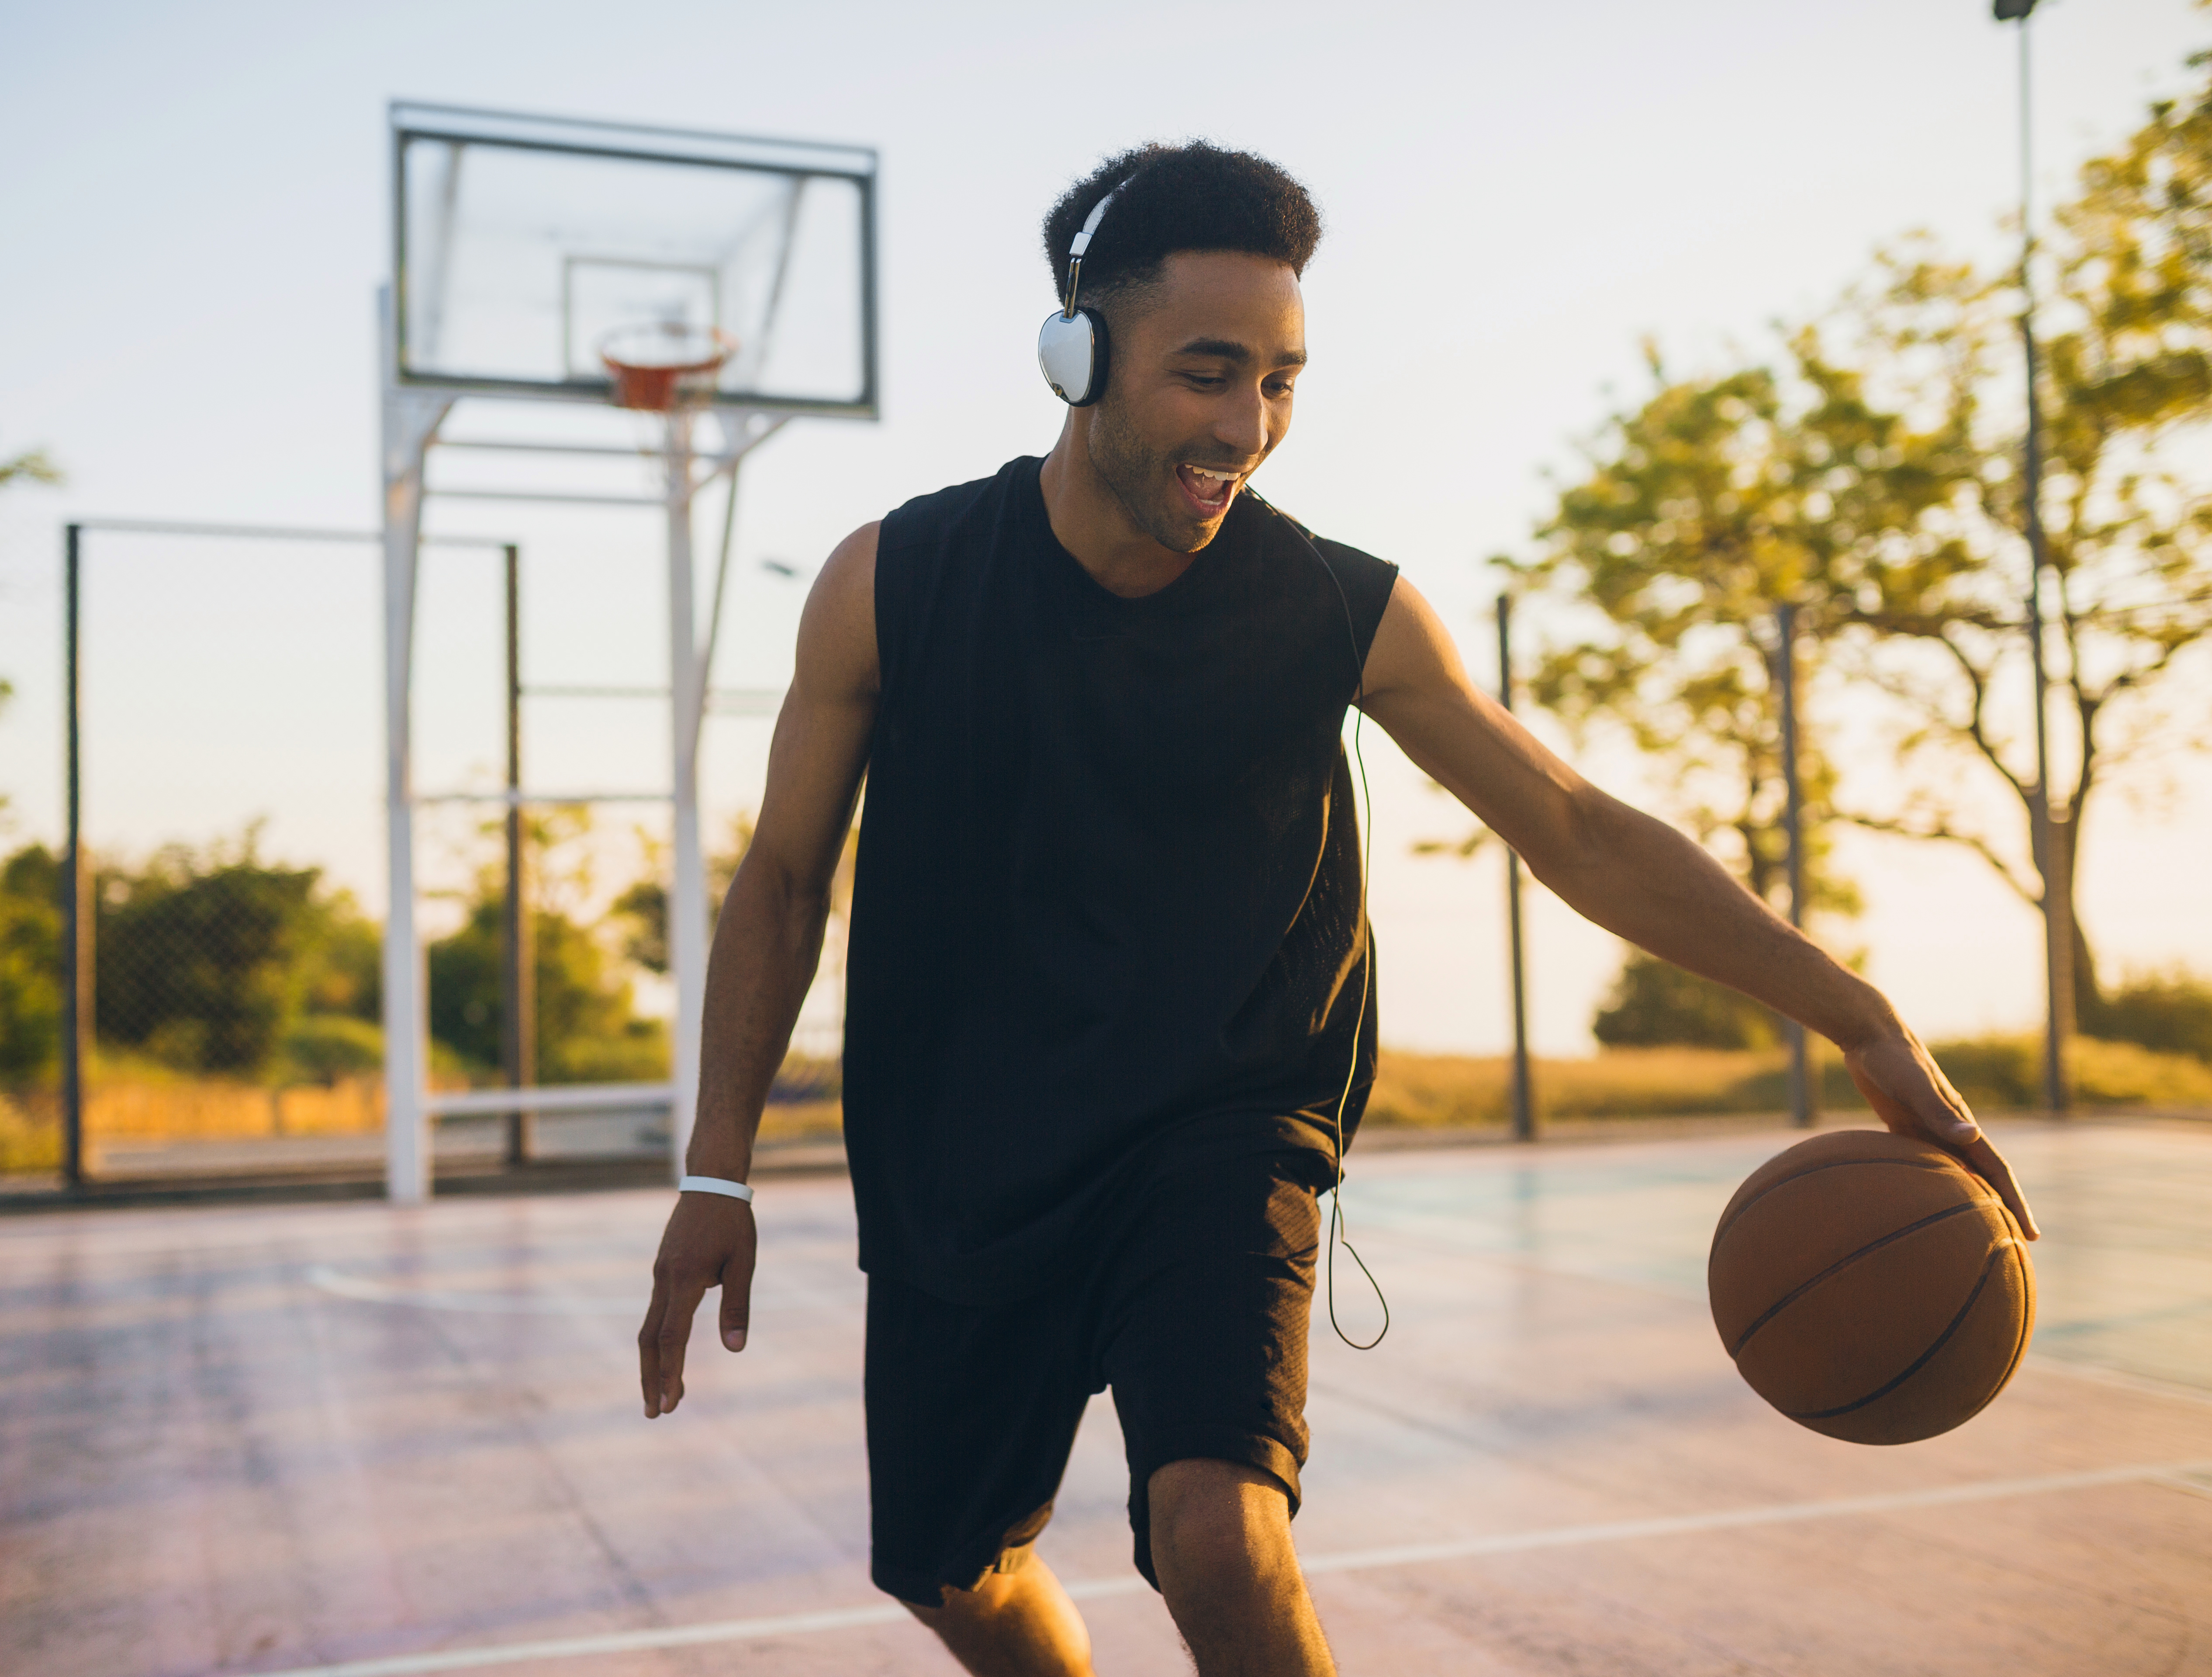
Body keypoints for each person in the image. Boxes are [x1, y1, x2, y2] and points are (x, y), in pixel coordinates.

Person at [636, 141, 2039, 1677]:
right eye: (1210, 374)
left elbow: (1572, 827)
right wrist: (718, 1174)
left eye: (1283, 381)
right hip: (965, 1155)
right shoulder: (891, 585)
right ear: (1077, 357)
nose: (1248, 428)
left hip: (1222, 1130)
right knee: (955, 1575)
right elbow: (781, 880)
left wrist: (1862, 1012)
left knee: (1219, 1538)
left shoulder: (1335, 610)